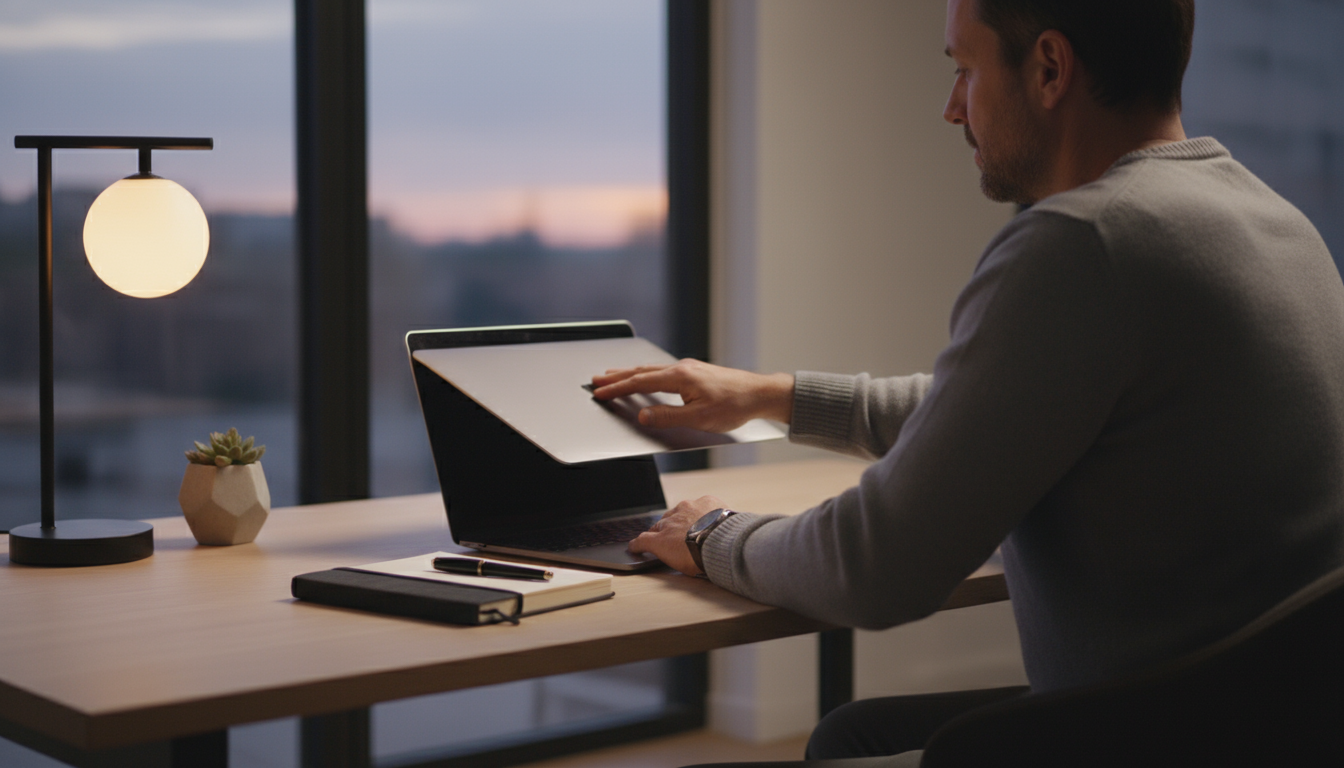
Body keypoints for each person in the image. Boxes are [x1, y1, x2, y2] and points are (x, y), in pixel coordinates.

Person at [592, 0, 1344, 760]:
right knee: (853, 732)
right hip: (1272, 715)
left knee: (851, 743)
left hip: (1148, 733)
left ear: (1049, 68)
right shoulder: (1274, 222)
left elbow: (874, 565)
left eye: (964, 69)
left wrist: (712, 533)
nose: (953, 108)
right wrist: (776, 397)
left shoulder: (1084, 243)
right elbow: (1015, 410)